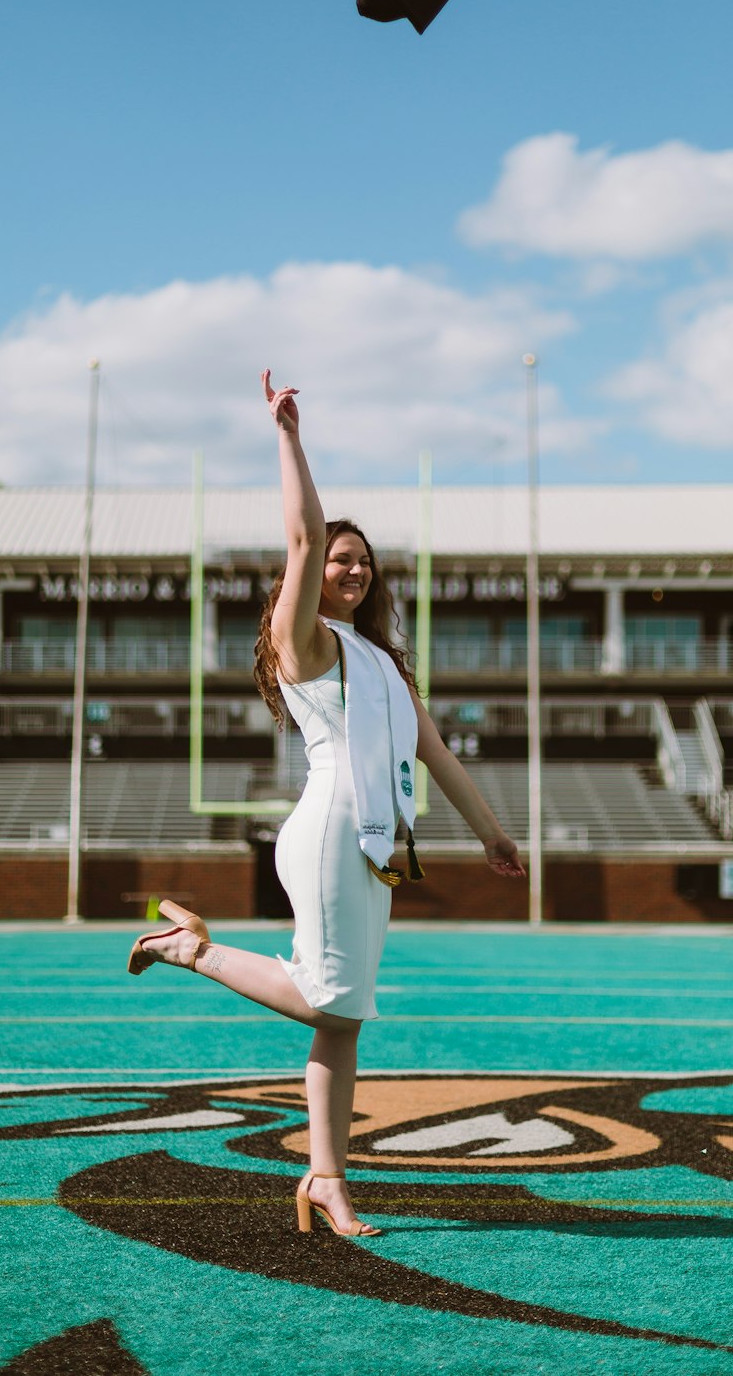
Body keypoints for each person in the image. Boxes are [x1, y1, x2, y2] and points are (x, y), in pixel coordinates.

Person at [127, 369, 525, 1237]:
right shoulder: (302, 640)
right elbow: (302, 539)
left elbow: (436, 751)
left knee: (343, 1023)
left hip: (378, 843)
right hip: (328, 829)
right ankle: (189, 948)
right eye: (342, 558)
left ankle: (327, 1180)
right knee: (328, 999)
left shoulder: (381, 659)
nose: (353, 566)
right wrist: (288, 435)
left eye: (364, 560)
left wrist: (492, 831)